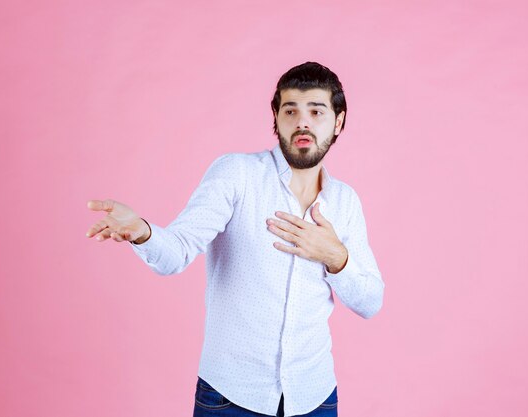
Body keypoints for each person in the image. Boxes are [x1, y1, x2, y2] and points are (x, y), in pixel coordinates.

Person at [85, 62, 385, 417]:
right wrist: (144, 232)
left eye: (316, 111)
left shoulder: (345, 201)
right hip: (230, 397)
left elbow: (371, 301)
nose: (303, 122)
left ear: (338, 121)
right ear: (276, 117)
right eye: (291, 110)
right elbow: (177, 251)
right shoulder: (236, 175)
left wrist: (336, 257)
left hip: (314, 397)